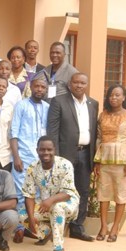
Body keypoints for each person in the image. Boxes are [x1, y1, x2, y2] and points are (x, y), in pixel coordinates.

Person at [47, 73, 99, 241]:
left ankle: (77, 227)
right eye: (76, 82)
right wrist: (55, 157)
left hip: (85, 153)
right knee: (62, 190)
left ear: (87, 84)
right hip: (65, 154)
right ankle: (56, 227)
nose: (79, 85)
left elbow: (94, 131)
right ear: (70, 84)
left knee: (83, 190)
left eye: (83, 83)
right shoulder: (58, 101)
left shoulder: (93, 104)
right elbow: (52, 131)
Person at [21, 136, 79, 251]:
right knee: (21, 214)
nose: (46, 153)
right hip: (45, 204)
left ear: (54, 150)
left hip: (67, 203)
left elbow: (68, 193)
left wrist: (51, 200)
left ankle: (58, 246)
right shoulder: (32, 168)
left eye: (49, 149)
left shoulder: (65, 164)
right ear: (37, 150)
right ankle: (46, 233)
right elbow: (29, 195)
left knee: (57, 208)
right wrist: (31, 219)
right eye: (42, 150)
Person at [93, 84, 126, 243]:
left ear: (124, 97)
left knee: (120, 194)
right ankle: (104, 226)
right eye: (111, 95)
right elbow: (99, 138)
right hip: (104, 159)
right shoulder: (102, 115)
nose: (114, 98)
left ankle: (115, 227)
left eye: (118, 95)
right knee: (103, 194)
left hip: (122, 160)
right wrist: (96, 161)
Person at [9, 77, 50, 242]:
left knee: (39, 194)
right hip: (23, 158)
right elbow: (14, 133)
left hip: (42, 159)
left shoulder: (48, 107)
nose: (39, 89)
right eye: (37, 86)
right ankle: (20, 228)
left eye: (43, 87)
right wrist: (16, 157)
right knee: (20, 194)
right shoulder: (21, 105)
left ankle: (36, 227)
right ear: (31, 87)